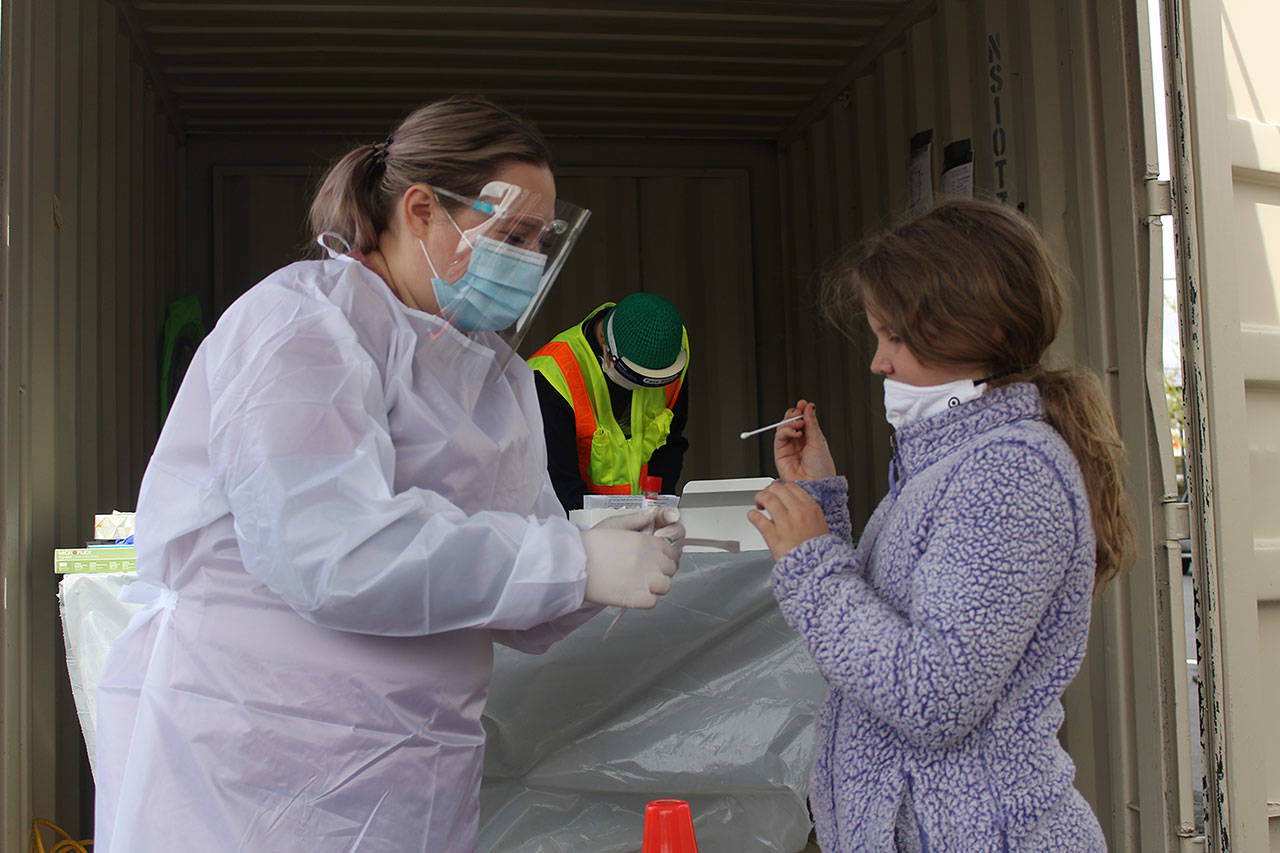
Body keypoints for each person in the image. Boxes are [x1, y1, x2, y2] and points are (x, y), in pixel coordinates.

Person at [93, 95, 685, 853]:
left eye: (541, 240)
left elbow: (503, 582)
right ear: (421, 210)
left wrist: (603, 556)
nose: (530, 260)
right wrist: (569, 561)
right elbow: (332, 551)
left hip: (412, 764)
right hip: (256, 759)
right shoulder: (301, 326)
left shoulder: (492, 373)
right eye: (512, 234)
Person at [749, 198, 1133, 852]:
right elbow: (883, 635)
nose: (878, 362)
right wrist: (821, 497)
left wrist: (812, 562)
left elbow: (932, 695)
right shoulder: (951, 461)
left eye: (894, 337)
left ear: (971, 329)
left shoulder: (1009, 473)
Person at [528, 292, 690, 511]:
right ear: (605, 342)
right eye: (633, 376)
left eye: (654, 382)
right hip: (579, 525)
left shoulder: (670, 350)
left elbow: (670, 444)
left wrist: (660, 511)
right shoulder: (552, 374)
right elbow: (558, 478)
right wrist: (600, 532)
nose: (643, 388)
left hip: (648, 519)